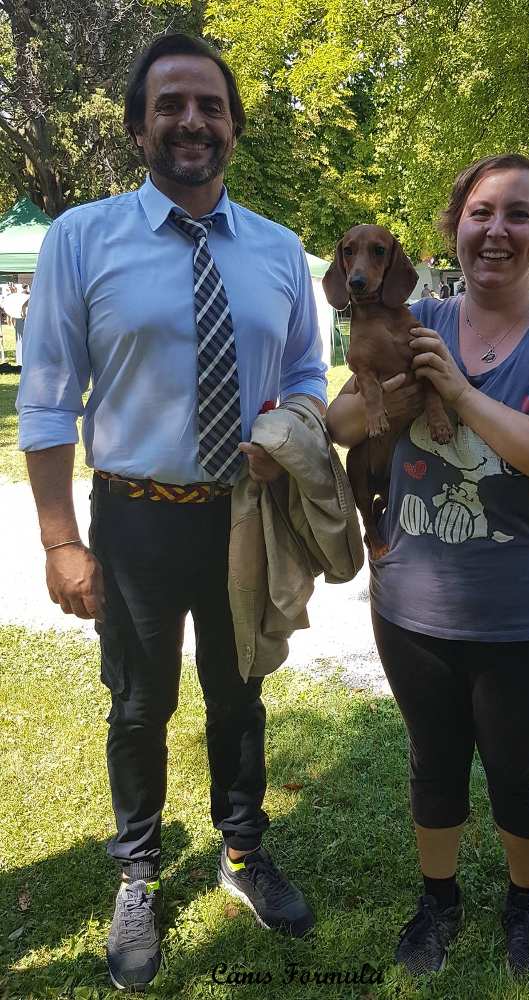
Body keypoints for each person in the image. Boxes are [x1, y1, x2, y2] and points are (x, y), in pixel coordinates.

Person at [17, 33, 326, 992]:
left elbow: (310, 375)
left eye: (209, 105)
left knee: (241, 695)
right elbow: (45, 393)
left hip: (242, 518)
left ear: (233, 125)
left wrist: (282, 434)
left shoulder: (278, 251)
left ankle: (242, 855)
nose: (191, 121)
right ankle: (138, 874)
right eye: (171, 104)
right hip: (136, 521)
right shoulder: (81, 237)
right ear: (138, 124)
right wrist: (61, 539)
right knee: (140, 706)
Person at [327, 153, 529, 979]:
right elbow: (344, 423)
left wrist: (456, 394)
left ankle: (526, 901)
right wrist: (376, 390)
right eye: (481, 212)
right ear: (455, 227)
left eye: (519, 215)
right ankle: (439, 899)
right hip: (412, 606)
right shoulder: (409, 316)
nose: (497, 230)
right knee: (432, 756)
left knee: (517, 763)